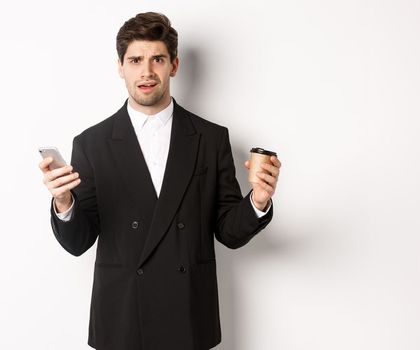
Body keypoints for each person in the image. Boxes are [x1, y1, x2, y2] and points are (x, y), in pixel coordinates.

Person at [38, 12, 281, 350]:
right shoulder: (91, 143)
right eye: (136, 60)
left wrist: (257, 202)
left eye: (157, 59)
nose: (147, 71)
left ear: (174, 65)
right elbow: (79, 242)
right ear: (120, 67)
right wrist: (64, 203)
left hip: (188, 315)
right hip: (122, 319)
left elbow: (228, 231)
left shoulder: (210, 139)